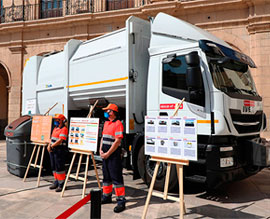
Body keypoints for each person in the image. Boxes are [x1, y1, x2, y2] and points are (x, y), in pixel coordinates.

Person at [100, 103, 126, 213]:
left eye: (108, 111)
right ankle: (107, 196)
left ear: (113, 112)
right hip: (105, 154)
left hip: (113, 155)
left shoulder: (118, 124)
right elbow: (103, 138)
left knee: (116, 178)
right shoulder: (106, 123)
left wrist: (108, 153)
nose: (106, 112)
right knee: (106, 177)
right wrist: (101, 150)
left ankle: (121, 201)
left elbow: (117, 141)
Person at [47, 114, 68, 192]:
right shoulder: (55, 128)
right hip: (53, 149)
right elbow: (51, 138)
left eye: (58, 120)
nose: (56, 121)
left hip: (59, 150)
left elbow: (60, 140)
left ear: (62, 121)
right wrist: (49, 145)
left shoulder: (64, 129)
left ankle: (61, 184)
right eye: (56, 120)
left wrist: (52, 146)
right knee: (54, 166)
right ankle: (56, 181)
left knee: (59, 167)